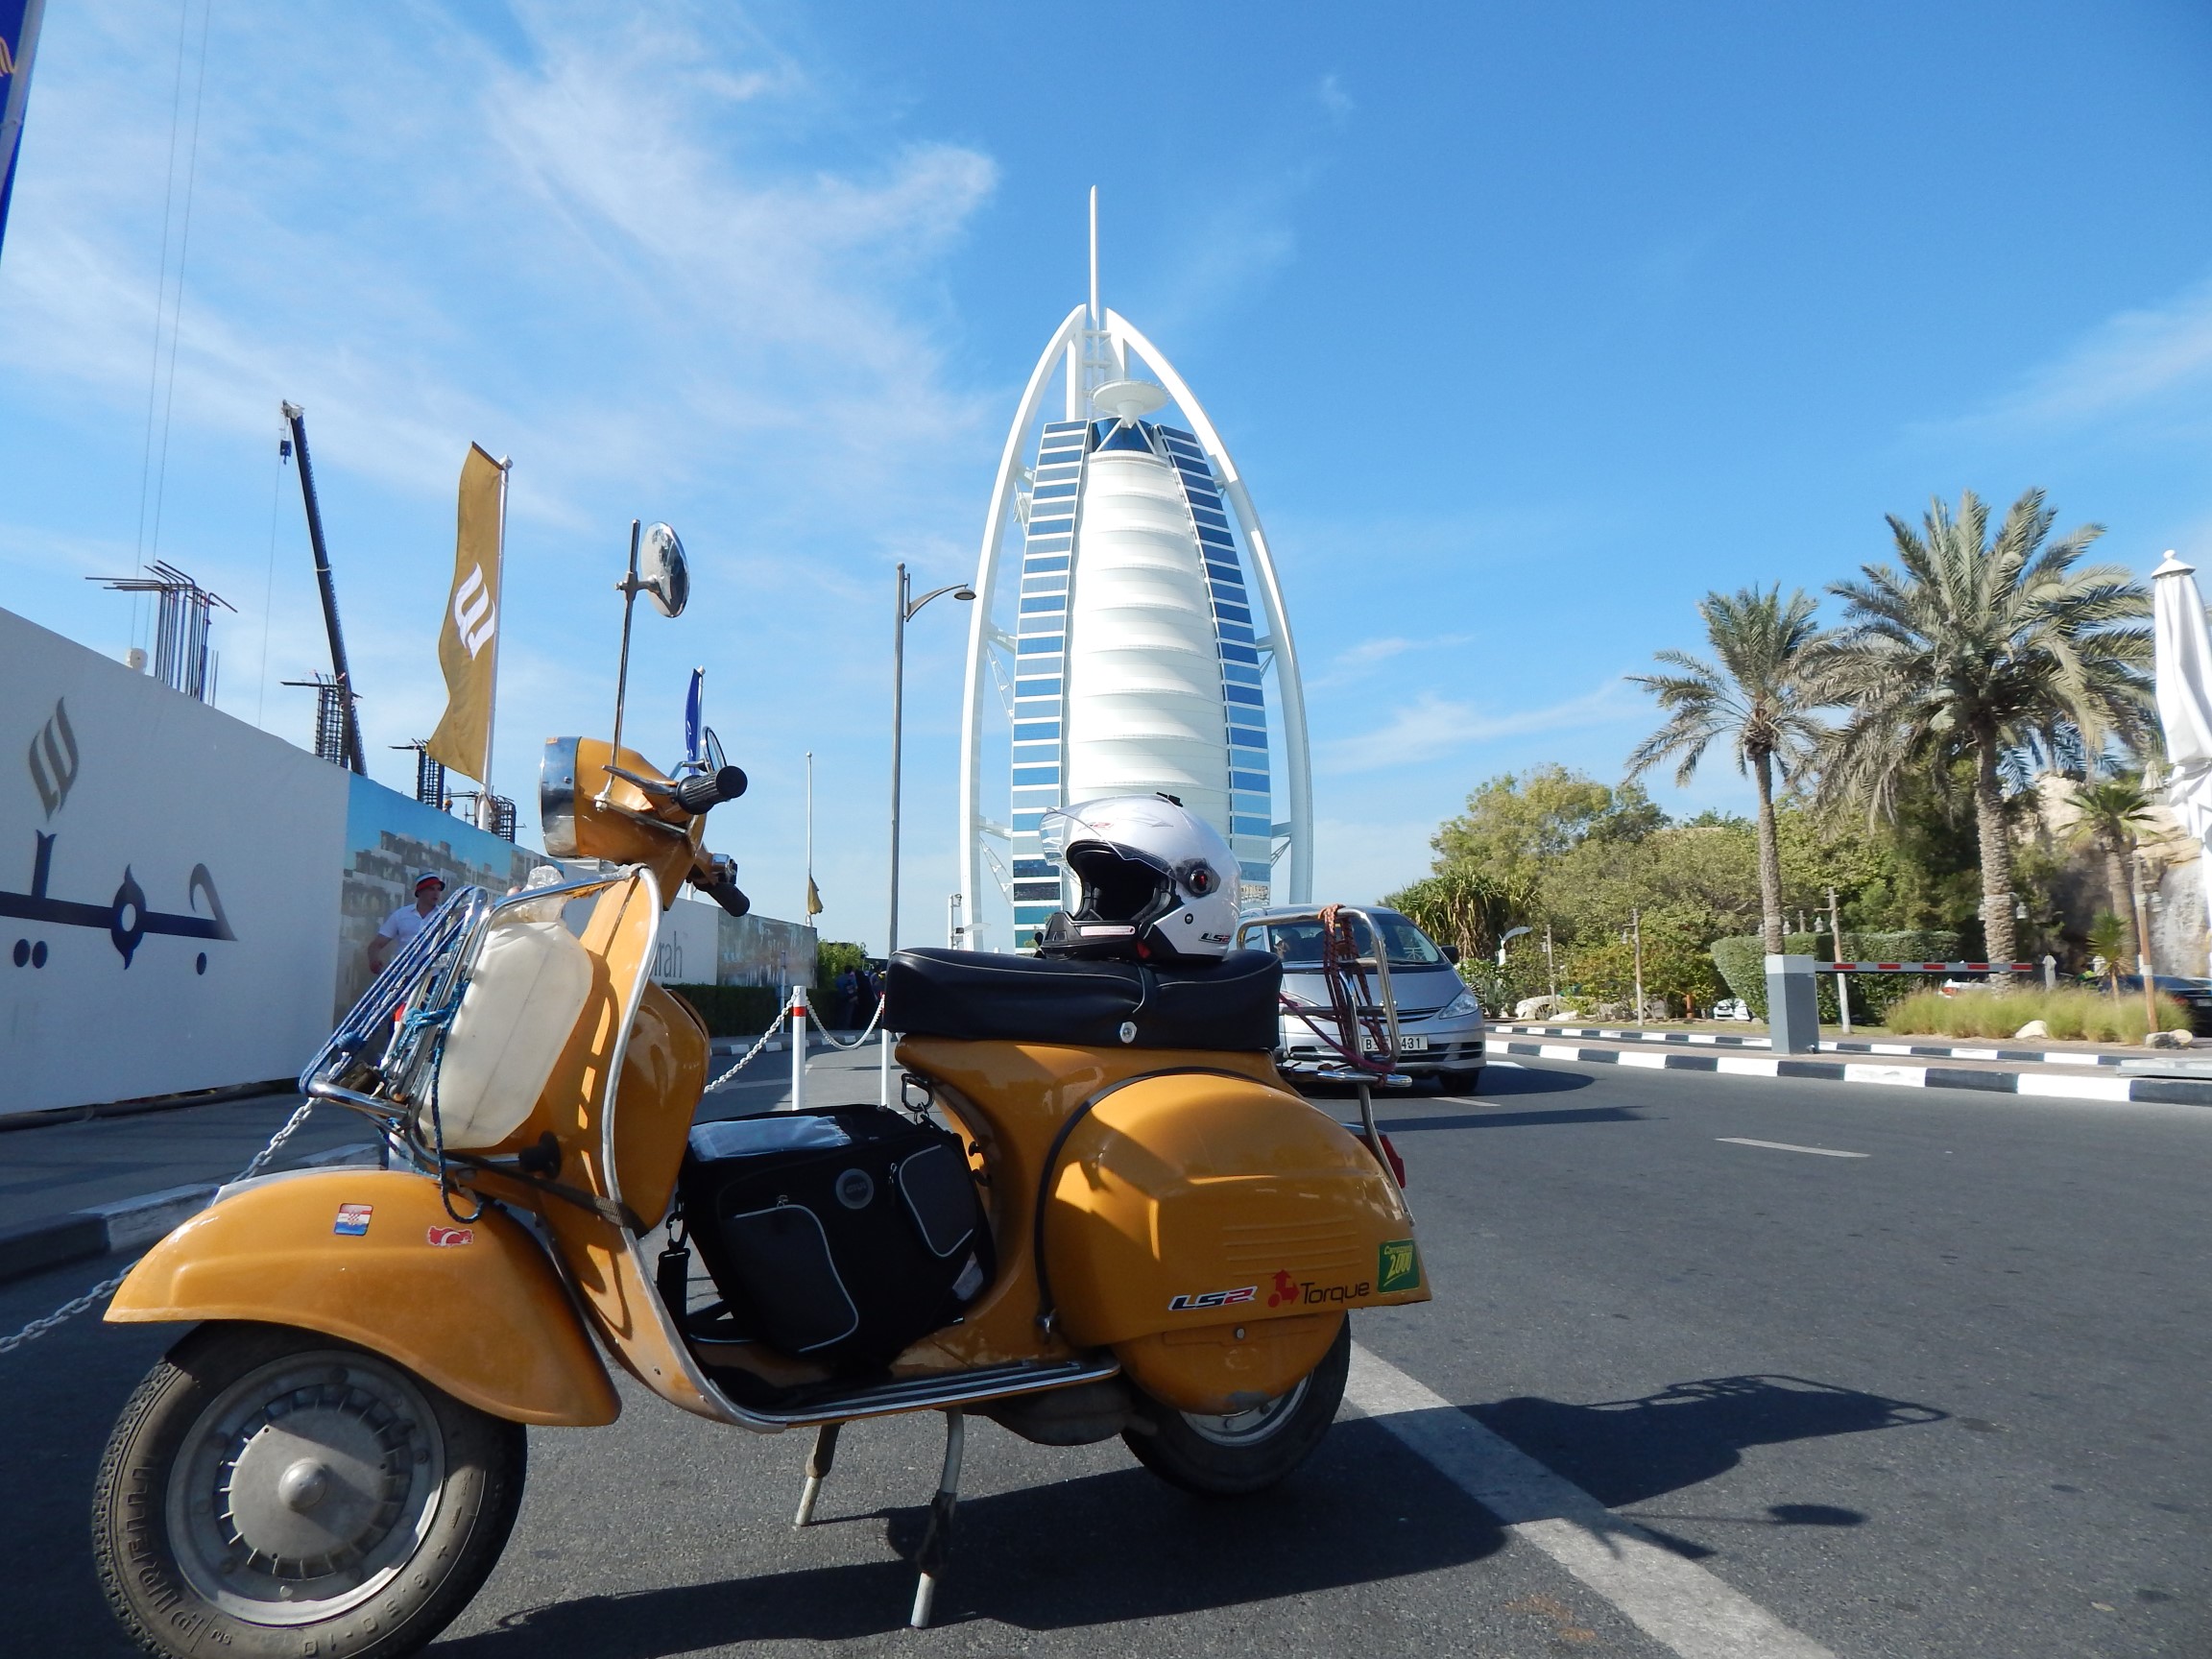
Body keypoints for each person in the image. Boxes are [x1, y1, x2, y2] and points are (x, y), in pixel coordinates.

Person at [367, 871, 446, 974]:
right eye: (431, 889)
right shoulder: (401, 914)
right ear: (420, 892)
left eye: (439, 889)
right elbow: (376, 944)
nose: (436, 893)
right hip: (403, 974)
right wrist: (374, 960)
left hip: (433, 975)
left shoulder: (445, 916)